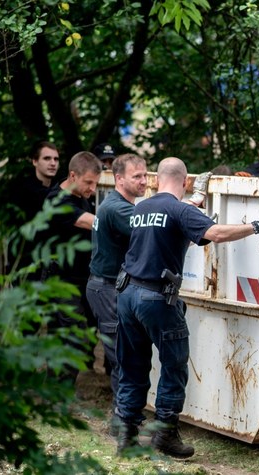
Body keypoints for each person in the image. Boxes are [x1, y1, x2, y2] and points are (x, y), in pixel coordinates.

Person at [115, 157, 259, 458]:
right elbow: (215, 233)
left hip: (127, 295)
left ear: (156, 179)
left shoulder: (141, 208)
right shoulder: (177, 210)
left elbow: (167, 235)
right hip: (155, 298)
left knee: (133, 365)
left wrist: (195, 206)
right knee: (174, 365)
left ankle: (126, 434)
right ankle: (164, 434)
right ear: (186, 181)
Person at [86, 153, 148, 406]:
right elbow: (151, 232)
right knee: (122, 358)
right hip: (108, 289)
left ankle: (126, 417)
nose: (144, 181)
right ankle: (123, 421)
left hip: (110, 287)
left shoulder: (117, 204)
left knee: (124, 356)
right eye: (137, 176)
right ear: (119, 179)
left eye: (145, 175)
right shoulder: (119, 208)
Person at [41, 151, 102, 382]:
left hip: (80, 280)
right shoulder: (56, 200)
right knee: (75, 337)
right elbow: (92, 222)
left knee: (63, 337)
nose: (92, 189)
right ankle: (60, 397)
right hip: (60, 281)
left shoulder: (81, 197)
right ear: (73, 175)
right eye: (88, 182)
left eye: (95, 183)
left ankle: (53, 392)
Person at [5, 142, 61, 270]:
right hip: (25, 265)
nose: (53, 163)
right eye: (47, 158)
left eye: (56, 159)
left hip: (49, 264)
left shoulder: (57, 189)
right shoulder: (22, 190)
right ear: (35, 161)